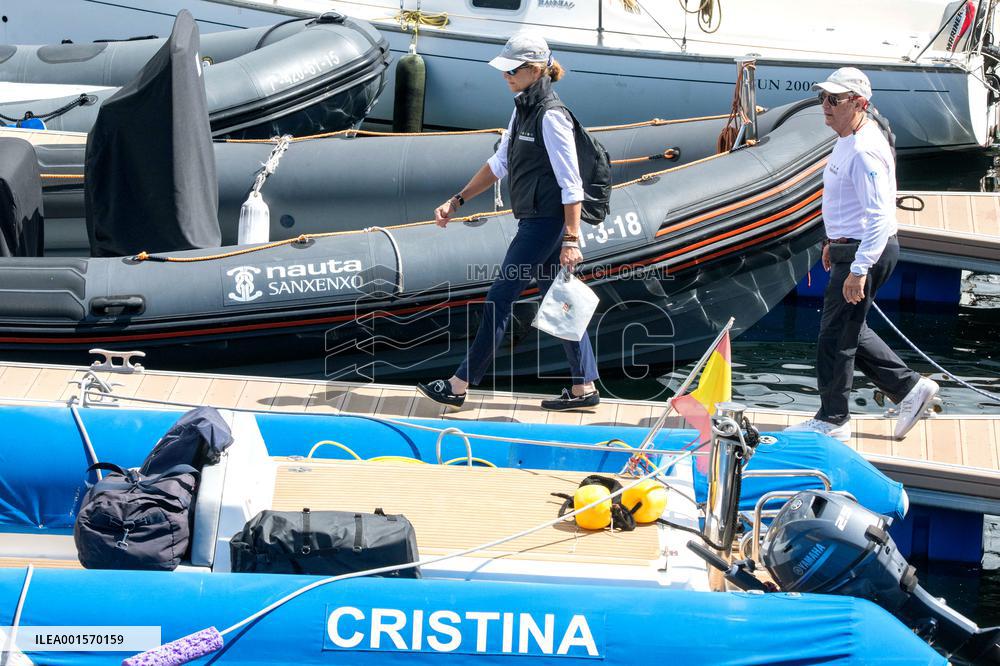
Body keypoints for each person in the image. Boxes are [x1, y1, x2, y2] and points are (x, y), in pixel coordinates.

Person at [417, 33, 600, 412]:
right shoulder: (522, 110)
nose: (505, 76)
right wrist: (458, 200)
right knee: (559, 297)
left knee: (499, 298)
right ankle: (584, 388)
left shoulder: (551, 116)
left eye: (512, 70)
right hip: (535, 219)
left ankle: (459, 384)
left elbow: (572, 184)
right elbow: (499, 164)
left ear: (534, 70)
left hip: (545, 223)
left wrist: (571, 239)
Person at [787, 67, 939, 443]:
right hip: (849, 247)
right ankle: (909, 389)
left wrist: (857, 268)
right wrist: (831, 244)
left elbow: (879, 216)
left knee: (834, 336)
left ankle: (834, 418)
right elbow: (846, 203)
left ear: (859, 103)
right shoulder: (848, 138)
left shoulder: (865, 149)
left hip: (865, 251)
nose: (826, 105)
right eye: (823, 97)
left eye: (834, 100)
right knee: (850, 329)